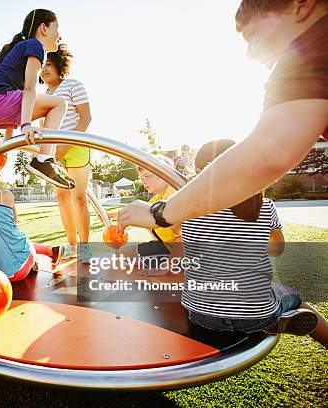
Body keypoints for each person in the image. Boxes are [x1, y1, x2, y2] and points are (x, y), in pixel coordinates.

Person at [117, 0, 327, 232]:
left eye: (253, 35)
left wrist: (160, 214)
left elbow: (266, 156)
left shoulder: (309, 52)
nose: (250, 53)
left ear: (301, 4)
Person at [180, 139, 327, 346]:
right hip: (255, 313)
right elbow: (277, 249)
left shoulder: (186, 208)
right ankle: (274, 320)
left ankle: (270, 319)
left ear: (199, 173)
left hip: (200, 315)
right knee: (295, 299)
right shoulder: (265, 206)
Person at [0, 9, 74, 189]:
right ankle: (44, 159)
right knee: (59, 104)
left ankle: (46, 159)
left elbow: (18, 92)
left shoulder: (22, 50)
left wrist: (8, 141)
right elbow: (29, 89)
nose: (59, 35)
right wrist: (26, 125)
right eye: (57, 28)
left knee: (46, 117)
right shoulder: (36, 46)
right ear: (43, 28)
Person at [39, 44, 94, 263]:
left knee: (79, 198)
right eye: (41, 66)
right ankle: (72, 245)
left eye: (49, 64)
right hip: (55, 151)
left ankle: (85, 248)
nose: (44, 69)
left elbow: (85, 118)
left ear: (59, 65)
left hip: (77, 146)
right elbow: (44, 125)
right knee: (61, 198)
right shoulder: (44, 95)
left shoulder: (73, 85)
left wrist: (66, 146)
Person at [0, 173, 61, 281]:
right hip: (20, 270)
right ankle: (49, 251)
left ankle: (50, 251)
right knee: (20, 240)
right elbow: (14, 227)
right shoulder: (5, 195)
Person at [117, 158, 182, 268]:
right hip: (165, 245)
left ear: (164, 175)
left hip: (175, 249)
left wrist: (169, 264)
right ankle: (148, 262)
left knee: (125, 254)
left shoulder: (174, 195)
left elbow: (181, 235)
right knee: (123, 252)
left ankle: (164, 264)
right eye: (141, 178)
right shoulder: (156, 201)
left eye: (146, 176)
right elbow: (142, 216)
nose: (143, 181)